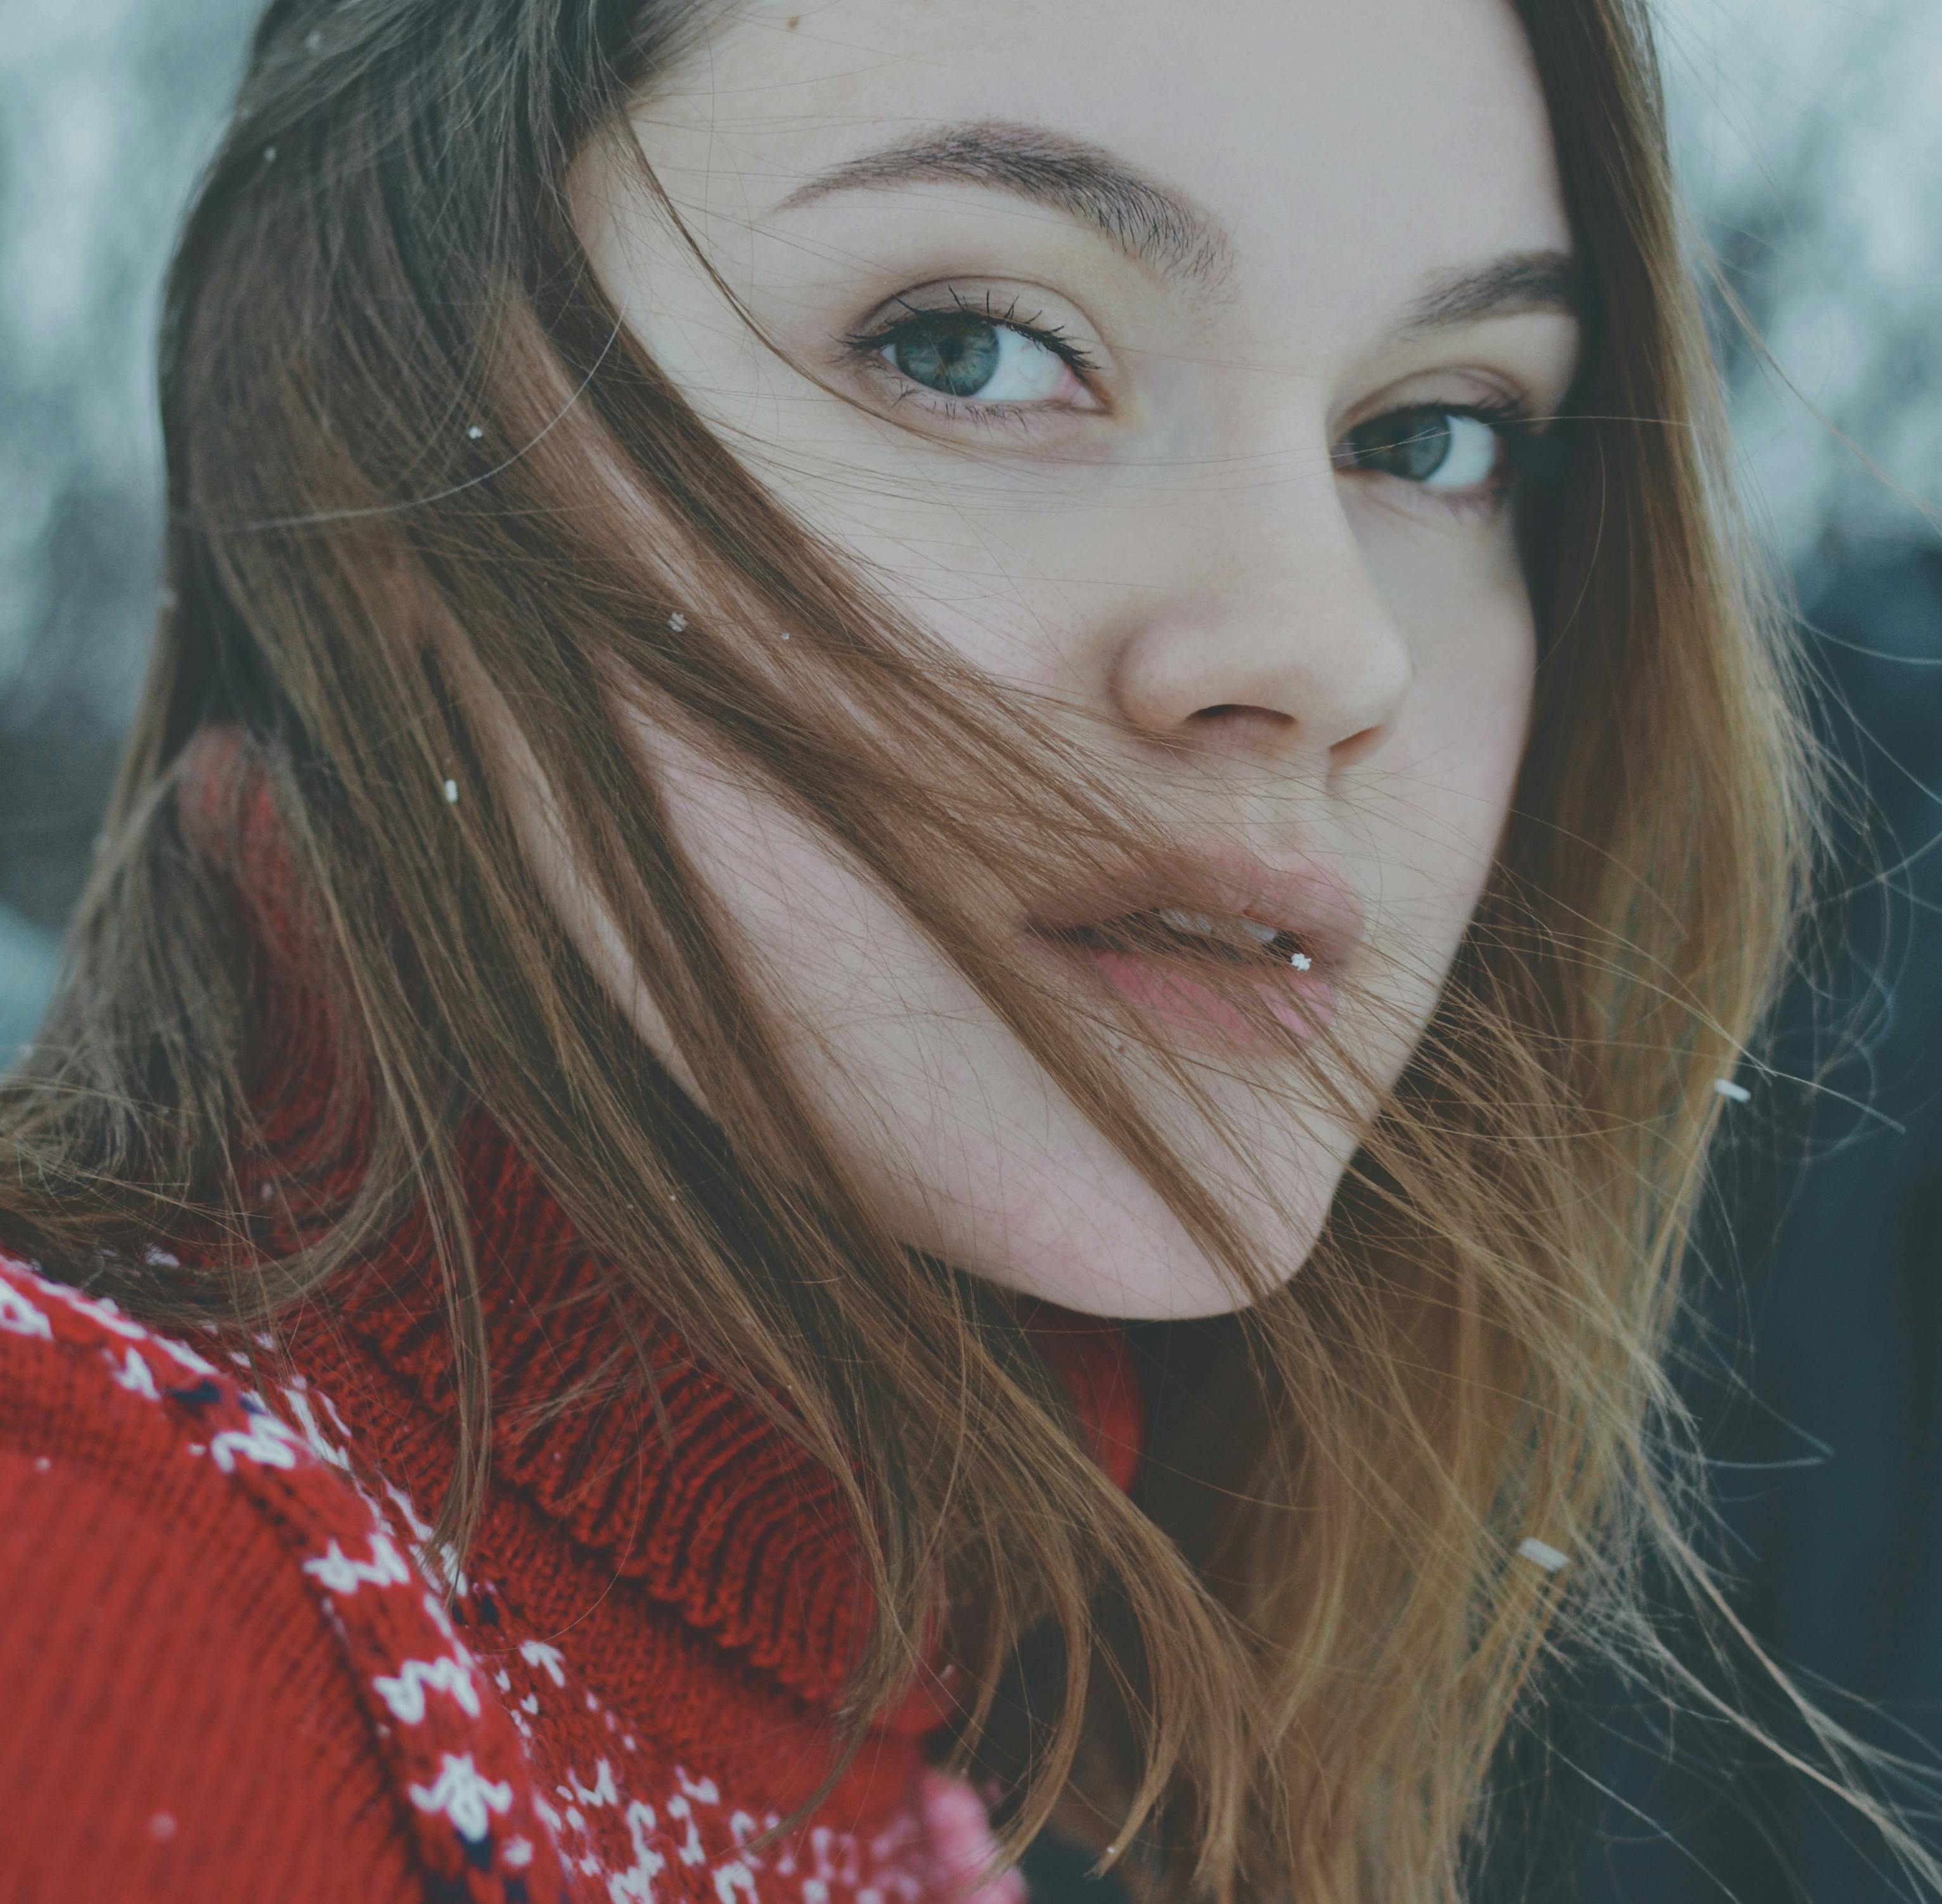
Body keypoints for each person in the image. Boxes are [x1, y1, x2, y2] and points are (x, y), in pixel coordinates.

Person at [0, 1, 1926, 1900]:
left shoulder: (914, 1760)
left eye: (1429, 433)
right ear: (376, 438)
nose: (1327, 650)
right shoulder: (81, 1607)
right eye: (971, 347)